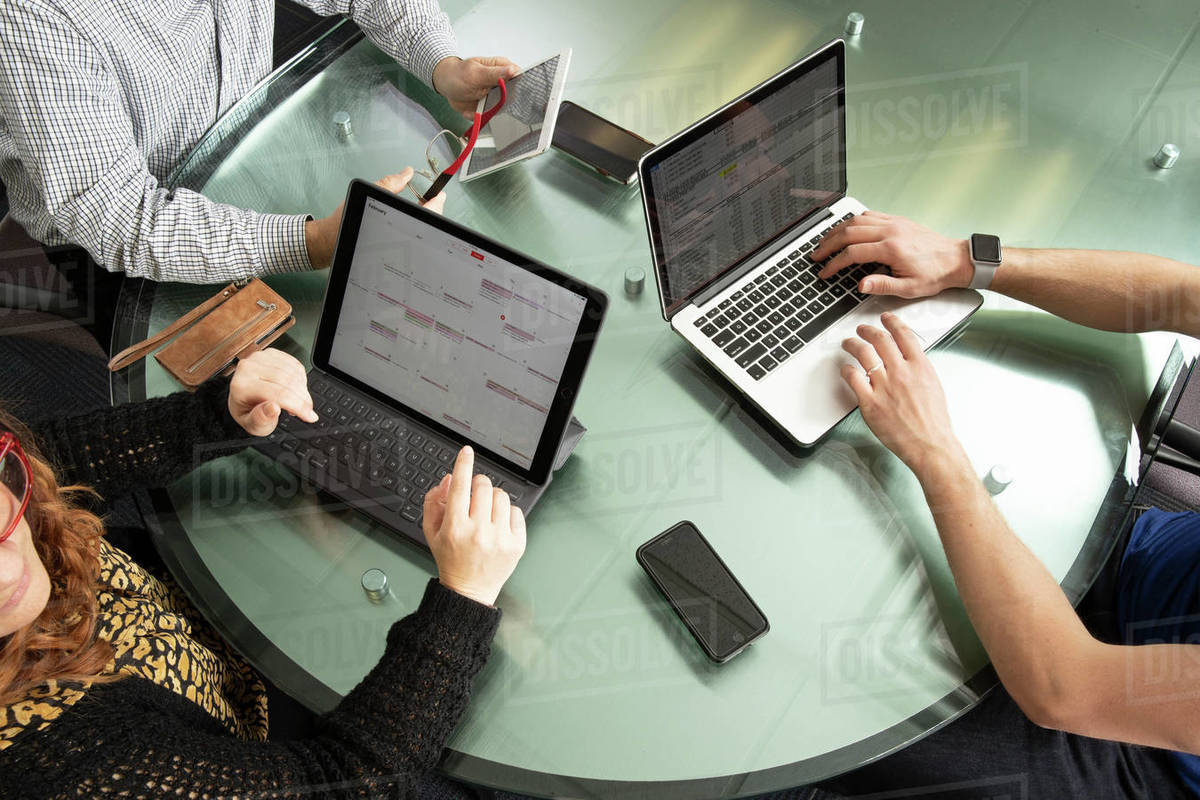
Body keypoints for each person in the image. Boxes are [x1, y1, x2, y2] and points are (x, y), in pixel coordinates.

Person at [0, 343, 527, 797]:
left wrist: (221, 412)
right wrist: (464, 596)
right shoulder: (70, 767)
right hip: (255, 736)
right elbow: (354, 783)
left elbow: (57, 457)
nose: (5, 571)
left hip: (202, 630)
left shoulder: (14, 475)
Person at [803, 213, 1200, 798]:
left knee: (824, 705)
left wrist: (933, 449)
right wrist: (968, 261)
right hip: (1160, 570)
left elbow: (1067, 686)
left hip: (1142, 753)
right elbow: (1180, 296)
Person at [0, 0, 519, 347]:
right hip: (136, 251)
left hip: (257, 145)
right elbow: (122, 220)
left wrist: (442, 63)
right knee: (269, 419)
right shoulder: (33, 18)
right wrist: (316, 242)